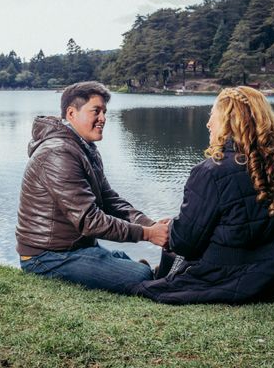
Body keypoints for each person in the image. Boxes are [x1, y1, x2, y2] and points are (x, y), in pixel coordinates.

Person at [133, 86, 274, 304]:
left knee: (136, 284)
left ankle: (155, 274)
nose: (208, 124)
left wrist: (171, 229)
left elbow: (186, 244)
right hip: (265, 282)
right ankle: (158, 272)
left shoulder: (211, 171)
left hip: (220, 283)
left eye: (213, 117)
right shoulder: (270, 170)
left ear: (229, 122)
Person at [16, 81, 169, 294]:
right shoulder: (58, 153)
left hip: (76, 247)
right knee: (140, 275)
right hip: (47, 257)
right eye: (96, 111)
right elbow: (90, 220)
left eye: (104, 112)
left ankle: (130, 271)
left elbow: (110, 201)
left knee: (130, 266)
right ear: (71, 113)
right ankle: (137, 274)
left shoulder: (84, 148)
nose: (103, 118)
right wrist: (147, 234)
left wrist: (150, 224)